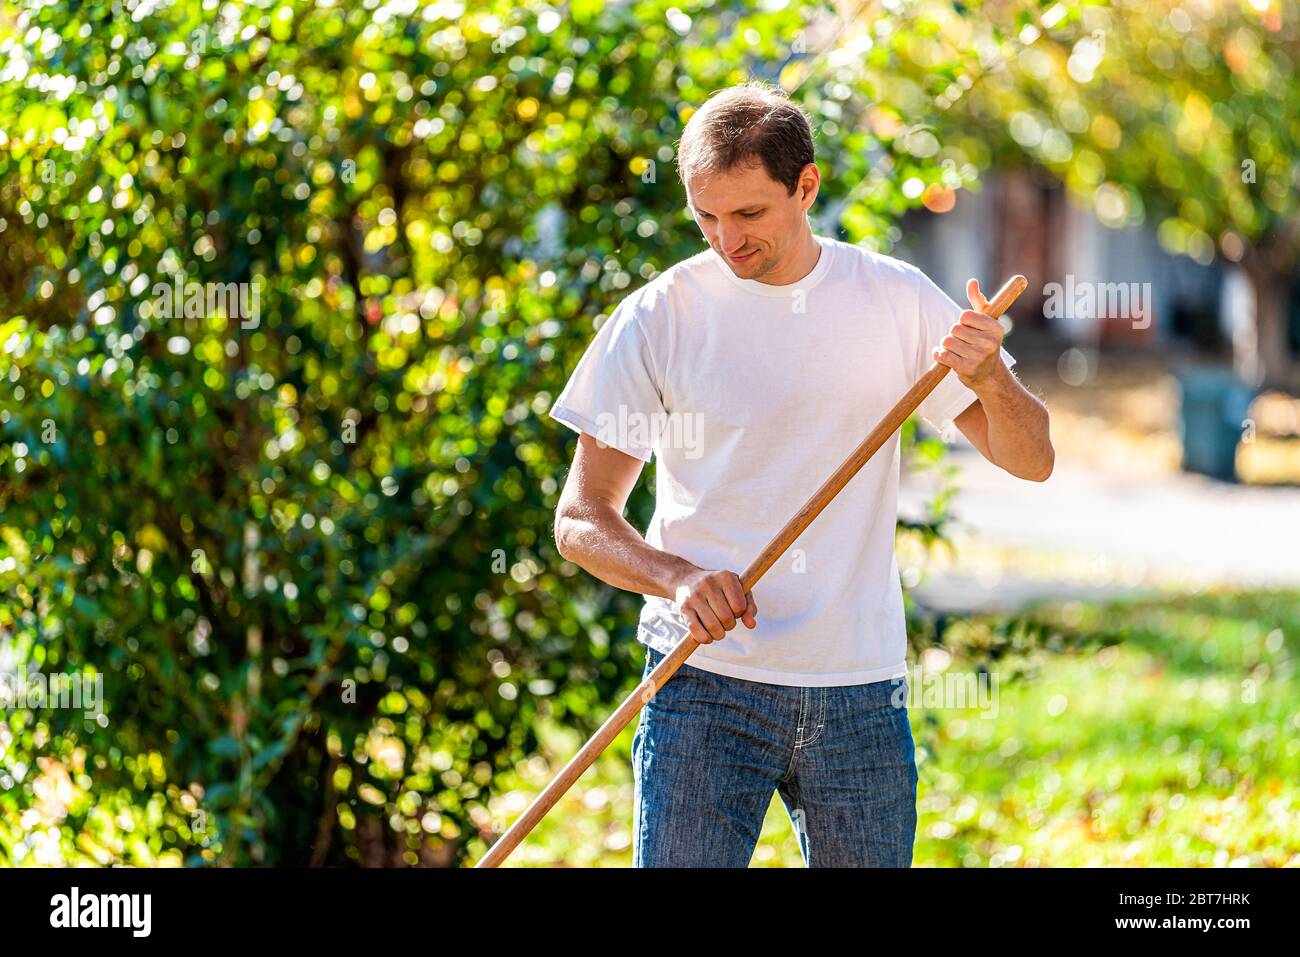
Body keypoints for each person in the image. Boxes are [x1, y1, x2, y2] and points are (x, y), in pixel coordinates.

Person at [548, 80, 1054, 867]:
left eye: (748, 213)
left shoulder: (893, 300)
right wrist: (677, 576)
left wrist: (992, 379)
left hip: (858, 686)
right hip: (702, 685)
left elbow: (1034, 458)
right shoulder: (661, 315)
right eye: (705, 215)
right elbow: (581, 519)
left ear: (805, 185)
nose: (725, 238)